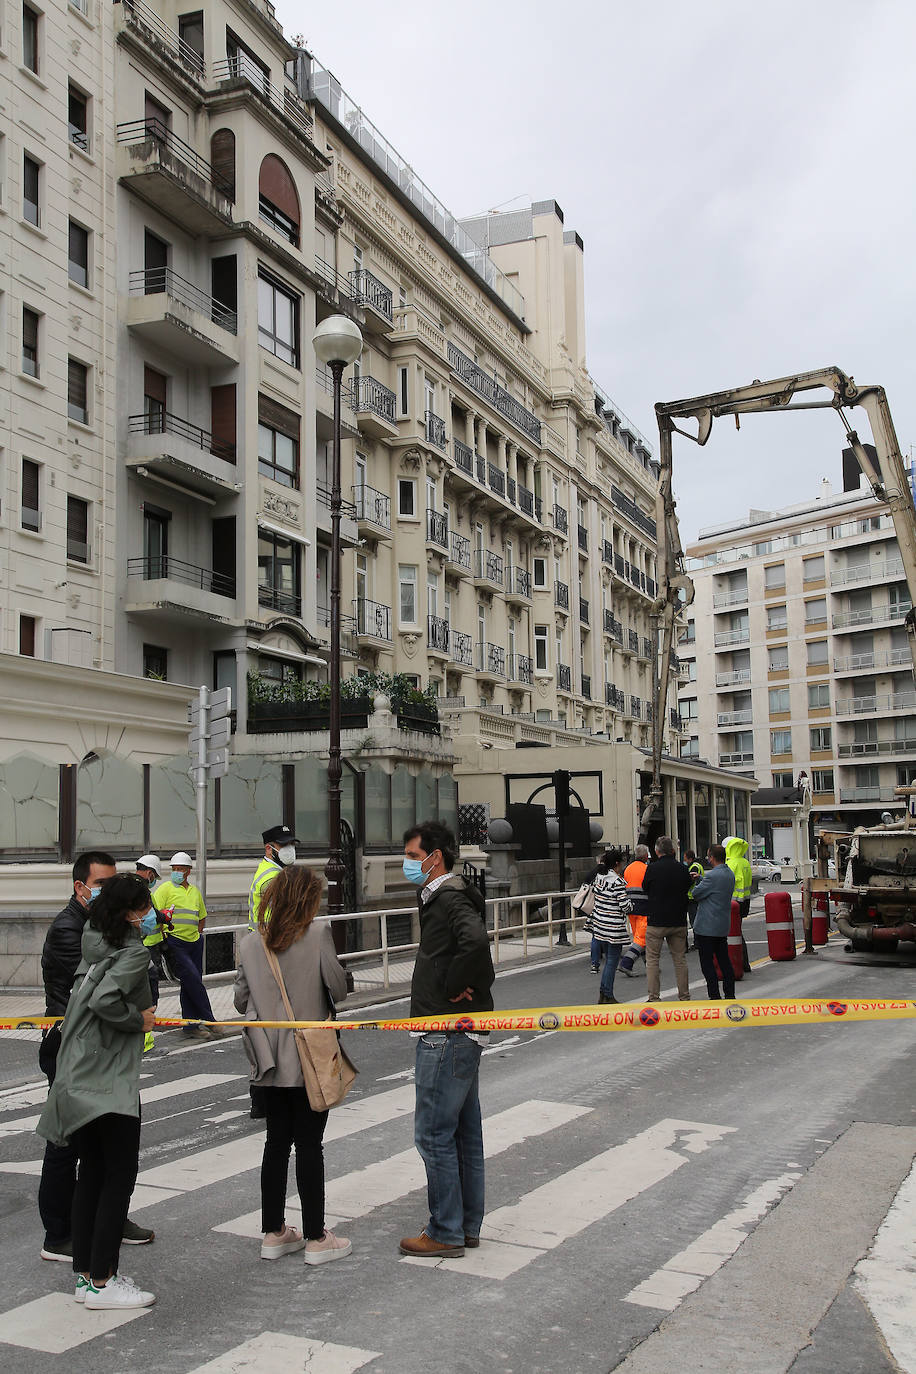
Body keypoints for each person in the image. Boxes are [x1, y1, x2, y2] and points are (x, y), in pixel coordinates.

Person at [38, 874, 158, 1310]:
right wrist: (138, 1020)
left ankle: (87, 1276)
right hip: (107, 1078)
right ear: (130, 913)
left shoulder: (93, 940)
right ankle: (104, 1281)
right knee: (118, 1177)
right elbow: (106, 1002)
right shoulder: (130, 952)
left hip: (79, 1072)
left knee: (90, 1174)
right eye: (144, 908)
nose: (149, 915)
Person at [234, 865, 351, 1265]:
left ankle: (273, 1232)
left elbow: (239, 1000)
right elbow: (337, 988)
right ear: (308, 900)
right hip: (309, 1062)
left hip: (267, 1063)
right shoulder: (317, 934)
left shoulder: (249, 943)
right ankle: (317, 1237)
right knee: (310, 1146)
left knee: (275, 1144)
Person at [399, 820, 495, 1258]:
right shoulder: (452, 896)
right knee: (463, 1132)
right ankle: (465, 1225)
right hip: (461, 1028)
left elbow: (474, 942)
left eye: (414, 858)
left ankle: (445, 1230)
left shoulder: (448, 896)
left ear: (435, 857)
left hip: (444, 1029)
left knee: (434, 1133)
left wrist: (456, 983)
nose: (409, 865)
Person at [154, 852, 220, 1040]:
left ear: (188, 871)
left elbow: (202, 916)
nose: (176, 872)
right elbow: (154, 913)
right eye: (174, 869)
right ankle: (210, 1021)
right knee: (194, 981)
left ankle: (190, 1025)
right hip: (175, 942)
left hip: (194, 943)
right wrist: (163, 936)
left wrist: (198, 935)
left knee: (190, 983)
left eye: (180, 869)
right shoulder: (165, 889)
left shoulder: (195, 892)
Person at [641, 836, 693, 1002]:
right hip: (678, 920)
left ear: (657, 852)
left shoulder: (652, 868)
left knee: (653, 960)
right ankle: (684, 996)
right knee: (679, 959)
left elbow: (645, 888)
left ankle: (654, 997)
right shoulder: (682, 869)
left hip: (657, 920)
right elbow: (687, 886)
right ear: (673, 850)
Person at [690, 844, 736, 999]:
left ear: (712, 857)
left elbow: (696, 894)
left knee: (707, 963)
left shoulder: (712, 876)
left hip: (706, 927)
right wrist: (702, 879)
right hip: (721, 926)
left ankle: (714, 995)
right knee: (724, 961)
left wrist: (699, 882)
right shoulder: (729, 874)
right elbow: (716, 888)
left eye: (708, 856)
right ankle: (730, 993)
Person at [589, 849, 633, 1005]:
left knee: (608, 960)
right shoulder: (618, 882)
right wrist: (631, 905)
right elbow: (624, 906)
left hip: (599, 924)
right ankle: (607, 994)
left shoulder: (599, 878)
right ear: (617, 864)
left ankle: (603, 993)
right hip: (613, 927)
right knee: (612, 961)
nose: (623, 865)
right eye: (622, 862)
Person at [248, 825, 298, 931]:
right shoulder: (272, 878)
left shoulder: (270, 869)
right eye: (284, 845)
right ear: (268, 849)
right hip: (267, 938)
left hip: (266, 936)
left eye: (292, 844)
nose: (290, 849)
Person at [619, 844, 650, 977]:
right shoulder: (647, 869)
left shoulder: (627, 869)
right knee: (641, 938)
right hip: (644, 908)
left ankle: (649, 964)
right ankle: (626, 963)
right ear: (644, 856)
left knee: (638, 937)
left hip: (631, 908)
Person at [724, 835, 753, 972]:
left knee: (732, 935)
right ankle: (744, 963)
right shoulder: (745, 862)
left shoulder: (731, 864)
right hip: (745, 902)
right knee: (737, 932)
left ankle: (737, 963)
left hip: (732, 902)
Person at [684, 850, 704, 948]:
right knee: (696, 920)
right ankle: (698, 941)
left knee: (694, 921)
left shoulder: (694, 867)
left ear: (690, 858)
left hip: (692, 897)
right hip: (696, 896)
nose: (685, 860)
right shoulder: (697, 865)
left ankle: (698, 942)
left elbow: (691, 881)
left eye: (685, 858)